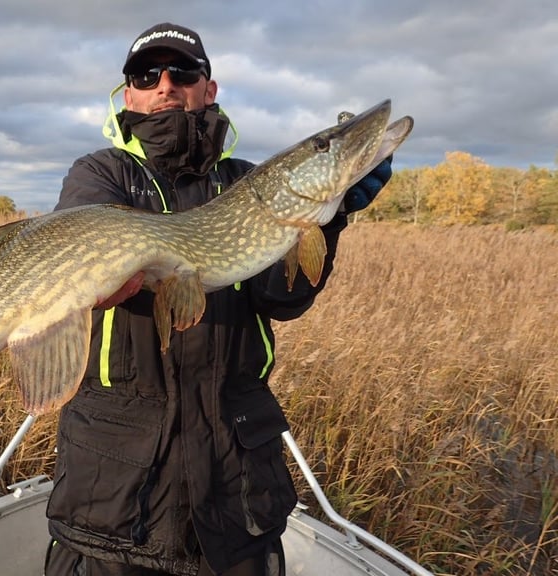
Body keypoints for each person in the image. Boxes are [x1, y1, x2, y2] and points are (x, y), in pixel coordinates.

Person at [44, 22, 392, 576]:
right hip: (113, 499)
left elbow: (283, 299)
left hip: (235, 493)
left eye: (183, 72)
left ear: (209, 89)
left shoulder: (245, 183)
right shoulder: (100, 175)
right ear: (128, 92)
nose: (165, 84)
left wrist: (332, 218)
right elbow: (86, 259)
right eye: (146, 74)